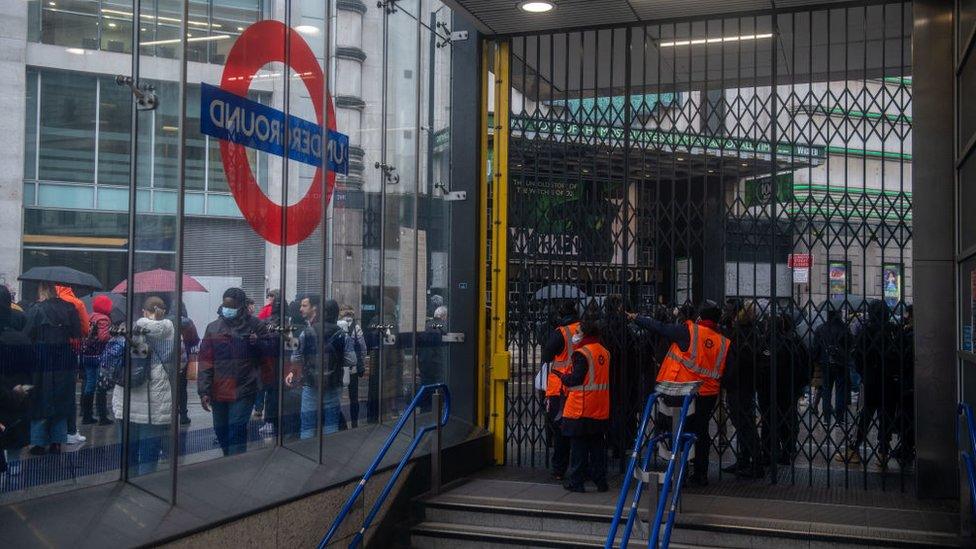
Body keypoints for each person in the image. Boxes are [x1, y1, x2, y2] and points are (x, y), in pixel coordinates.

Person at [629, 300, 730, 487]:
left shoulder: (689, 331)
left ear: (700, 317)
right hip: (708, 393)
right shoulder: (723, 340)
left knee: (680, 432)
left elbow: (660, 328)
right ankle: (701, 473)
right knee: (701, 433)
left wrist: (638, 318)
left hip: (683, 391)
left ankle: (679, 474)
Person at [197, 288, 273, 456]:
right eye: (225, 305)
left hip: (244, 389)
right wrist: (204, 391)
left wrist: (257, 342)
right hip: (219, 390)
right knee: (221, 430)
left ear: (241, 306)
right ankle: (229, 460)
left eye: (231, 305)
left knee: (236, 431)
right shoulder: (213, 328)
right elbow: (205, 362)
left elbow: (269, 351)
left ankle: (235, 468)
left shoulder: (256, 325)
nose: (227, 308)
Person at [113, 297, 174, 476]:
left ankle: (128, 490)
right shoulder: (172, 333)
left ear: (144, 312)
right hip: (155, 406)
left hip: (126, 402)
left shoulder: (129, 330)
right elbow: (181, 363)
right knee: (149, 455)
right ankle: (146, 491)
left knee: (127, 455)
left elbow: (114, 359)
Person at [553, 304, 610, 493]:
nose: (575, 335)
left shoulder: (582, 353)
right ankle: (601, 481)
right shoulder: (603, 351)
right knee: (597, 448)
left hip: (580, 407)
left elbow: (576, 379)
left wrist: (562, 377)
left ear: (584, 334)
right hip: (599, 408)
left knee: (578, 448)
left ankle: (576, 481)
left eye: (577, 332)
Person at [23, 282, 81, 455]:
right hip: (63, 358)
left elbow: (27, 333)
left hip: (42, 359)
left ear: (42, 291)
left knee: (40, 397)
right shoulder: (70, 308)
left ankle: (39, 442)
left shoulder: (36, 309)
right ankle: (57, 440)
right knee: (61, 399)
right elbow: (77, 333)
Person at [841, 300, 899, 465]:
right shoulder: (893, 330)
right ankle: (883, 453)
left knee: (865, 415)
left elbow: (858, 357)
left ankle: (854, 449)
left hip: (871, 380)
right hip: (890, 382)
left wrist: (864, 374)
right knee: (886, 416)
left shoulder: (867, 330)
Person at [286, 297, 354, 438]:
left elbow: (295, 358)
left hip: (311, 383)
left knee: (307, 425)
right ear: (336, 314)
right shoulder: (342, 335)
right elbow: (351, 360)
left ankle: (308, 455)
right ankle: (329, 454)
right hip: (333, 384)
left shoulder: (308, 332)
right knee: (331, 425)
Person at [721, 301, 764, 478]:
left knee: (744, 424)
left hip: (739, 385)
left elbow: (737, 362)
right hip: (744, 384)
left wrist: (727, 379)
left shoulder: (741, 333)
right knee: (743, 423)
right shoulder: (751, 331)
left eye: (730, 311)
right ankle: (745, 459)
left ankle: (755, 462)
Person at [0, 286, 32, 477]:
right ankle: (13, 471)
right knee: (14, 447)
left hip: (7, 397)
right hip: (17, 397)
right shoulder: (21, 339)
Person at [55, 285, 88, 445]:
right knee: (68, 392)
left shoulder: (43, 302)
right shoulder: (76, 303)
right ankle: (70, 431)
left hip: (47, 354)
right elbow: (85, 329)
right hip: (69, 352)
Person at [812, 309, 854, 431]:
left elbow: (816, 347)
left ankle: (826, 418)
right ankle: (839, 419)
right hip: (840, 363)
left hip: (825, 363)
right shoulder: (844, 328)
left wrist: (816, 359)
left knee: (826, 390)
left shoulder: (820, 328)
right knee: (840, 390)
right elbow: (850, 344)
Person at [80, 295, 113, 426]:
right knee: (101, 385)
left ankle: (87, 415)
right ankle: (103, 416)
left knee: (90, 384)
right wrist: (112, 334)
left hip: (87, 355)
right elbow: (103, 337)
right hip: (100, 355)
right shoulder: (104, 319)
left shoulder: (90, 316)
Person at [339, 305, 367, 428]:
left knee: (337, 396)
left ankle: (340, 423)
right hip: (353, 368)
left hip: (339, 367)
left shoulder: (337, 326)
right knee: (353, 397)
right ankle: (354, 422)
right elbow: (363, 348)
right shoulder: (356, 328)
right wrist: (360, 360)